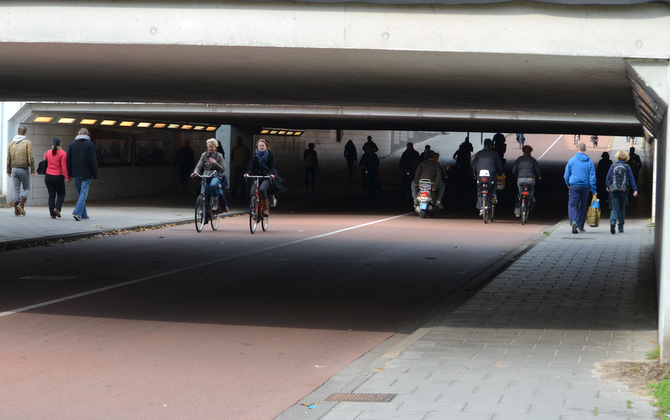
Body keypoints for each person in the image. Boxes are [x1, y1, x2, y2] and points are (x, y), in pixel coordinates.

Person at [563, 142, 597, 234]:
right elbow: (592, 177)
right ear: (585, 150)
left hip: (574, 186)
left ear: (577, 149)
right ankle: (581, 226)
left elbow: (566, 175)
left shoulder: (572, 160)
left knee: (573, 205)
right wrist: (594, 190)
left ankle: (573, 221)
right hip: (586, 187)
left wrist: (568, 184)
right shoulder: (589, 162)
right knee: (583, 205)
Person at [66, 127, 99, 221]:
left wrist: (69, 174)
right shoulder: (90, 144)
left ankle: (84, 214)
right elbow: (93, 160)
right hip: (87, 173)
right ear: (87, 134)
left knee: (81, 193)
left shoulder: (72, 144)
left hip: (76, 173)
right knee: (83, 193)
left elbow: (68, 160)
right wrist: (95, 175)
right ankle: (77, 212)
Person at [605, 150, 638, 234]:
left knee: (614, 208)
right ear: (626, 157)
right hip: (624, 191)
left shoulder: (613, 166)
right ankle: (620, 227)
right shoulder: (627, 167)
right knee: (622, 209)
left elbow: (607, 178)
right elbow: (631, 179)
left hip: (613, 190)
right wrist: (635, 190)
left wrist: (608, 186)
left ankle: (612, 223)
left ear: (617, 157)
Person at [192, 138, 229, 213]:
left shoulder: (219, 156)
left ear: (215, 147)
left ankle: (215, 202)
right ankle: (203, 211)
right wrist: (195, 172)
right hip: (206, 175)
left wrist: (215, 163)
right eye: (209, 147)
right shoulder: (204, 155)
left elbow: (223, 169)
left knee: (212, 185)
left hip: (215, 175)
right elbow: (199, 165)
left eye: (212, 147)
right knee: (204, 192)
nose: (210, 148)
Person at [7, 125, 35, 216]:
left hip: (14, 169)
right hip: (24, 168)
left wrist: (8, 169)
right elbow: (31, 157)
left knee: (16, 190)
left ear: (18, 132)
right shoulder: (28, 143)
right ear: (25, 133)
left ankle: (16, 210)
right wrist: (33, 170)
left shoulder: (11, 143)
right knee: (26, 188)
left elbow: (8, 158)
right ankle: (21, 204)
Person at [471, 138, 503, 215]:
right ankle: (494, 195)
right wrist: (500, 173)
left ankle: (481, 207)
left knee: (479, 190)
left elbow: (474, 165)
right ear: (491, 145)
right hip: (491, 174)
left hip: (480, 175)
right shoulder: (494, 153)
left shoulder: (479, 154)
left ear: (484, 145)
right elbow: (499, 165)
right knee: (493, 185)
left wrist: (474, 173)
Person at [247, 138, 276, 216]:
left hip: (266, 176)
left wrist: (272, 174)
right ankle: (254, 208)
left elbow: (272, 166)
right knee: (253, 192)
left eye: (263, 145)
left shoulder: (270, 155)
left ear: (266, 146)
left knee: (262, 189)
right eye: (260, 145)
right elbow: (252, 168)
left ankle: (266, 208)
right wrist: (248, 174)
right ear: (257, 147)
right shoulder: (255, 156)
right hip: (257, 176)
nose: (261, 147)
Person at [43, 137, 70, 219]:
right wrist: (67, 177)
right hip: (57, 177)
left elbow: (44, 163)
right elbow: (64, 167)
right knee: (61, 194)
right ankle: (57, 208)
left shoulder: (47, 152)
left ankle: (52, 214)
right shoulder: (62, 153)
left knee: (51, 195)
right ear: (60, 144)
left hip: (48, 177)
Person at [511, 145, 541, 217]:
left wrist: (517, 176)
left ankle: (517, 211)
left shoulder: (519, 159)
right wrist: (538, 176)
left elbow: (514, 170)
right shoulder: (533, 160)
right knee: (531, 190)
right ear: (530, 151)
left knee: (520, 193)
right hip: (530, 179)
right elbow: (538, 171)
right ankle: (532, 200)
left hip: (520, 179)